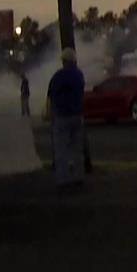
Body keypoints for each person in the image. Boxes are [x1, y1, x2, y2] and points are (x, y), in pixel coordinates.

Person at [46, 49, 87, 189]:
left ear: (64, 61)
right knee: (77, 149)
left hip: (62, 116)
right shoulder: (79, 75)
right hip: (77, 115)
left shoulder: (58, 76)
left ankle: (63, 180)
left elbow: (51, 96)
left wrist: (50, 113)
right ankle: (78, 176)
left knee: (61, 149)